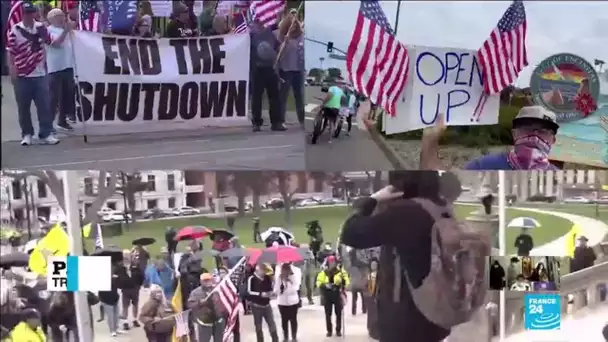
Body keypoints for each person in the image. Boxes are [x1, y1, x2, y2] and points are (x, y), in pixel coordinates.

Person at [340, 171, 483, 342]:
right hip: (434, 315)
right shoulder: (441, 209)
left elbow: (351, 233)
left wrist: (372, 200)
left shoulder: (405, 214)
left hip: (405, 320)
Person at [6, 1, 58, 146]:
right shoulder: (15, 30)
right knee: (23, 107)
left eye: (31, 13)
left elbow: (51, 42)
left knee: (44, 106)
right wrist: (12, 69)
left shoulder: (41, 28)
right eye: (27, 13)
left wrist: (65, 30)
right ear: (22, 15)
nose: (29, 16)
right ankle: (27, 134)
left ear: (35, 13)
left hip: (40, 73)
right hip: (22, 74)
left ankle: (46, 133)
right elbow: (11, 52)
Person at [45, 8, 77, 132]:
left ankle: (62, 121)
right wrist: (66, 31)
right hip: (56, 68)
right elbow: (56, 43)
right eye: (59, 15)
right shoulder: (48, 30)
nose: (62, 18)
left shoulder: (67, 30)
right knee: (54, 97)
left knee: (67, 95)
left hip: (68, 66)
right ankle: (48, 123)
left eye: (63, 15)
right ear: (51, 18)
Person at [249, 19, 283, 132]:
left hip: (271, 69)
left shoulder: (270, 33)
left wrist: (284, 43)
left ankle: (276, 122)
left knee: (274, 96)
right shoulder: (250, 34)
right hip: (257, 69)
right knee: (257, 97)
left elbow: (277, 47)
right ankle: (256, 122)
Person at [276, 15, 305, 127]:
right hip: (286, 70)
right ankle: (281, 120)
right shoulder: (281, 37)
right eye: (290, 26)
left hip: (298, 70)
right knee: (283, 96)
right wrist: (284, 43)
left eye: (294, 25)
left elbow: (302, 52)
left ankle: (302, 120)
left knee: (299, 96)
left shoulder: (301, 36)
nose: (293, 28)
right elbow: (278, 54)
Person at [316, 256, 349, 337]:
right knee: (328, 314)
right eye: (330, 262)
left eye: (333, 262)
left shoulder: (340, 272)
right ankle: (329, 330)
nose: (332, 264)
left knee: (338, 313)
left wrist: (343, 281)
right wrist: (324, 285)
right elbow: (318, 282)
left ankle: (338, 330)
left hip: (337, 294)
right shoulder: (324, 272)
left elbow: (347, 281)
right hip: (327, 295)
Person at [188, 273, 226, 342]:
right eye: (205, 280)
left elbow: (224, 301)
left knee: (220, 340)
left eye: (209, 280)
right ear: (201, 281)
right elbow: (190, 305)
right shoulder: (195, 292)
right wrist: (199, 303)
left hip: (218, 320)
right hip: (205, 321)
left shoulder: (217, 289)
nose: (207, 282)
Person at [246, 263, 279, 342]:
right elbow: (249, 292)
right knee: (258, 326)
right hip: (256, 306)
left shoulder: (267, 278)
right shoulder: (251, 278)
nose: (264, 273)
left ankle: (275, 340)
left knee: (272, 324)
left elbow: (270, 289)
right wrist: (260, 294)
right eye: (263, 270)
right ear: (258, 269)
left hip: (267, 305)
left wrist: (271, 293)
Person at [274, 263, 301, 341]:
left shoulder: (293, 277)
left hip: (293, 302)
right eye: (283, 270)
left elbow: (296, 288)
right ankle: (285, 336)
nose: (285, 272)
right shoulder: (279, 278)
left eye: (286, 270)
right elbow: (276, 291)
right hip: (282, 302)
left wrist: (288, 283)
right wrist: (281, 286)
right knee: (284, 320)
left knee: (293, 319)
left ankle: (294, 336)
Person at [98, 260, 123, 336]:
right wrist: (101, 299)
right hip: (107, 299)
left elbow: (118, 286)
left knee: (116, 314)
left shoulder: (114, 277)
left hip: (114, 297)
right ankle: (112, 330)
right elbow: (100, 291)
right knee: (110, 316)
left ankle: (116, 328)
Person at [366, 259, 379, 339]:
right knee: (371, 313)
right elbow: (368, 286)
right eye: (372, 265)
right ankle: (370, 327)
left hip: (378, 296)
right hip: (371, 296)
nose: (373, 266)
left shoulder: (380, 275)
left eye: (375, 265)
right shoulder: (369, 276)